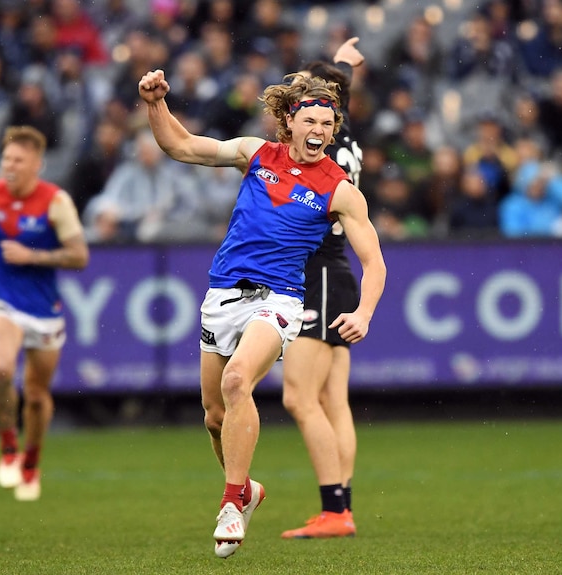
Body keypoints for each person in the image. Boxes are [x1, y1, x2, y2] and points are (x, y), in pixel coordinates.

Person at [137, 68, 386, 558]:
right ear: (288, 123)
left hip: (280, 300)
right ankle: (247, 487)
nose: (319, 131)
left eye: (326, 125)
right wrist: (154, 105)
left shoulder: (339, 190)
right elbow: (182, 146)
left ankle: (232, 503)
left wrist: (365, 311)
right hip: (222, 295)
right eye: (310, 121)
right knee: (213, 416)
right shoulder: (256, 154)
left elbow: (374, 261)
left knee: (237, 382)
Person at [0, 126, 89, 502]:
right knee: (2, 369)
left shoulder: (55, 201)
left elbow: (79, 256)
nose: (9, 166)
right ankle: (8, 445)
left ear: (36, 164)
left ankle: (31, 462)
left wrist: (33, 256)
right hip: (1, 298)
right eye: (6, 159)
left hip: (43, 308)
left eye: (18, 161)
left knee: (37, 396)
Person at [279, 37, 368, 540]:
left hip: (322, 272)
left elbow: (329, 91)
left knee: (299, 398)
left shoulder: (319, 142)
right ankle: (342, 508)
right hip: (334, 272)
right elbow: (338, 88)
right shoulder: (343, 135)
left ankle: (335, 508)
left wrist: (337, 68)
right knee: (335, 400)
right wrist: (342, 65)